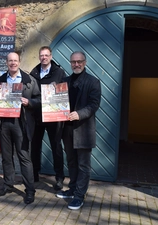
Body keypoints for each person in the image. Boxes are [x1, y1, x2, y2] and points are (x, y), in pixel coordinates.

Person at [0, 52, 41, 204]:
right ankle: (8, 184)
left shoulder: (29, 80)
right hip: (4, 122)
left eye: (15, 61)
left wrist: (29, 102)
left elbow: (39, 100)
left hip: (21, 123)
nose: (13, 63)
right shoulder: (0, 80)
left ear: (19, 62)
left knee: (24, 157)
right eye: (10, 61)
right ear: (6, 63)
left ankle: (30, 190)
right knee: (7, 156)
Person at [55, 51, 101, 210]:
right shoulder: (64, 82)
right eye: (73, 62)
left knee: (83, 165)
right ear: (70, 63)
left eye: (79, 61)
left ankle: (79, 196)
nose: (76, 64)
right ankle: (73, 189)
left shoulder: (93, 82)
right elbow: (55, 102)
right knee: (72, 162)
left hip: (83, 130)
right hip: (67, 129)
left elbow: (94, 105)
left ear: (85, 62)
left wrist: (79, 114)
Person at [29, 46, 66, 190]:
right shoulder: (34, 72)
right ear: (39, 57)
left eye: (46, 55)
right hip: (37, 115)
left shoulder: (59, 72)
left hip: (53, 115)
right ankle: (34, 173)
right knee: (35, 146)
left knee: (56, 146)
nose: (44, 57)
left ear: (51, 56)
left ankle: (59, 177)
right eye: (41, 55)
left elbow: (64, 92)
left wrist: (56, 88)